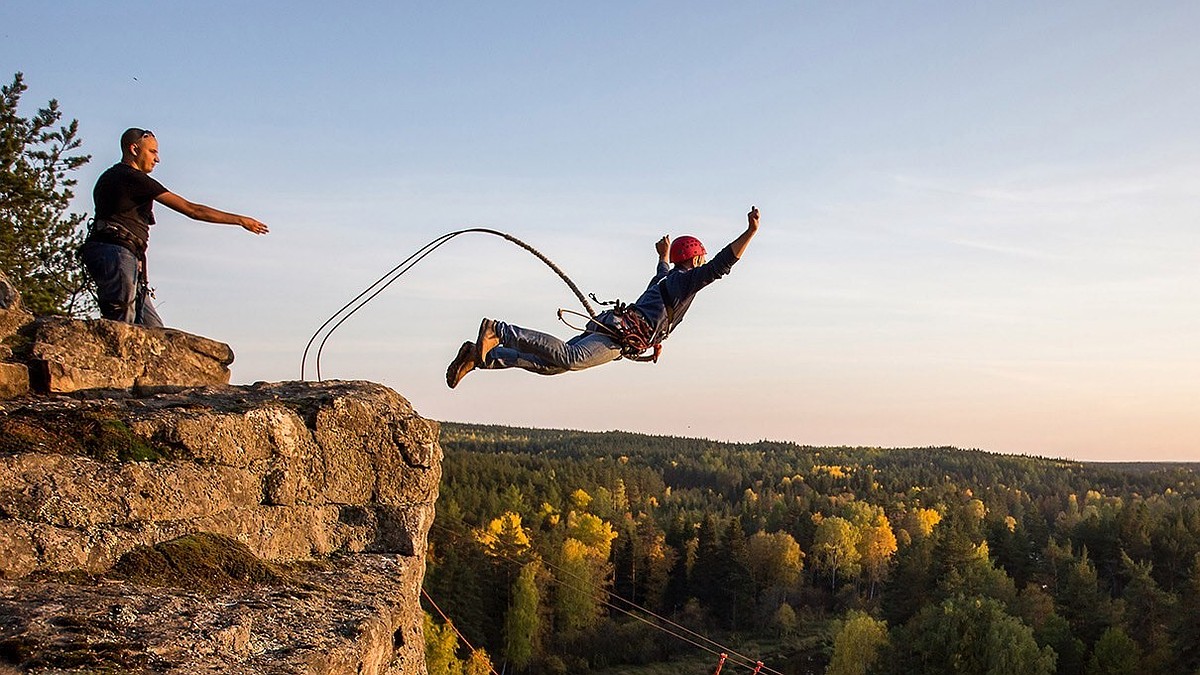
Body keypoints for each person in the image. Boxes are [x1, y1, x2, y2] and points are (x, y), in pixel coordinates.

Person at [446, 206, 761, 387]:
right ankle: (498, 330)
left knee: (551, 366)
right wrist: (749, 234)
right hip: (616, 335)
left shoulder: (667, 278)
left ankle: (481, 357)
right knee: (569, 360)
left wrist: (663, 256)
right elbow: (721, 266)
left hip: (615, 327)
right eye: (700, 259)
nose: (703, 264)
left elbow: (661, 278)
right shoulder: (685, 282)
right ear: (694, 259)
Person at [79, 128, 269, 327]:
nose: (157, 159)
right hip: (116, 251)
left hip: (120, 251)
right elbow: (193, 210)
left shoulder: (110, 177)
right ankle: (115, 357)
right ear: (134, 149)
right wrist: (240, 220)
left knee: (154, 330)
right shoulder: (131, 177)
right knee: (122, 322)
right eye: (152, 152)